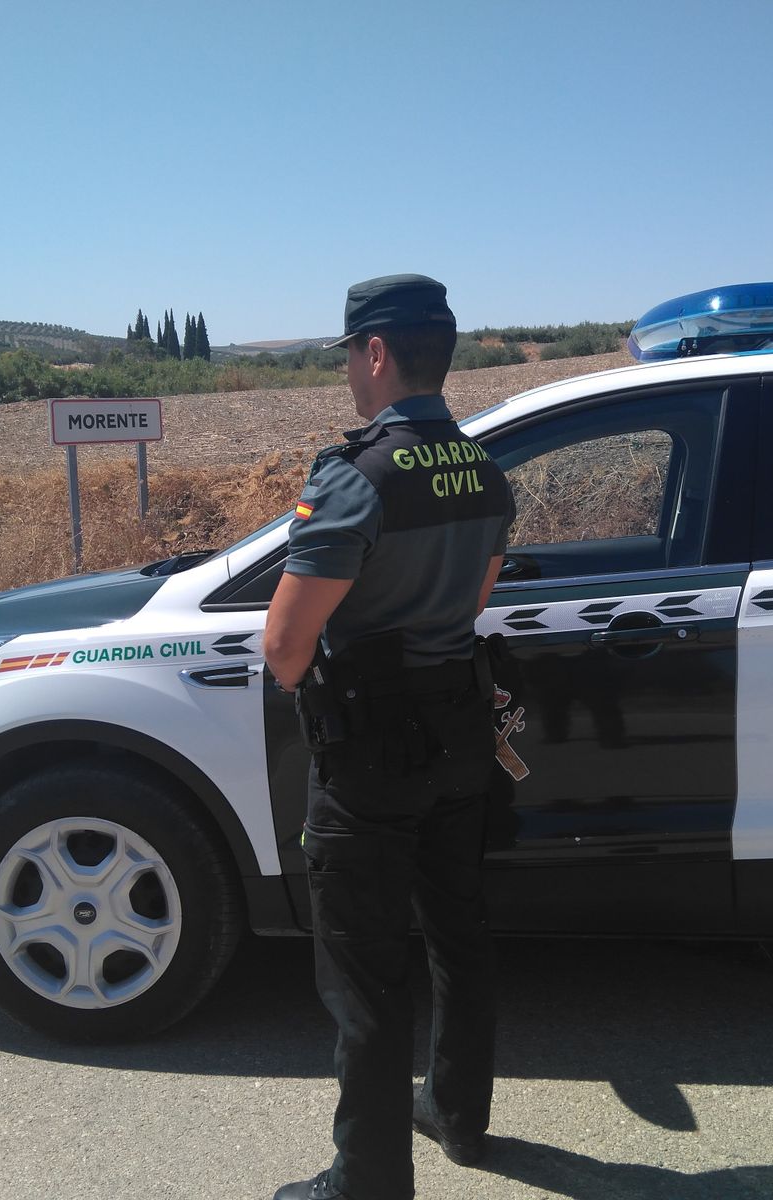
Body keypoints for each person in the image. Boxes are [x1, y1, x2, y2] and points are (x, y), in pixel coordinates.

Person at [264, 275, 515, 1200]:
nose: (347, 375)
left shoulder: (354, 476)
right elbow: (476, 599)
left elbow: (287, 649)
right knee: (458, 932)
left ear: (376, 352)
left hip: (368, 753)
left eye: (347, 357)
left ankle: (368, 1183)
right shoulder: (485, 469)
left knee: (364, 974)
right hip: (457, 731)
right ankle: (458, 1113)